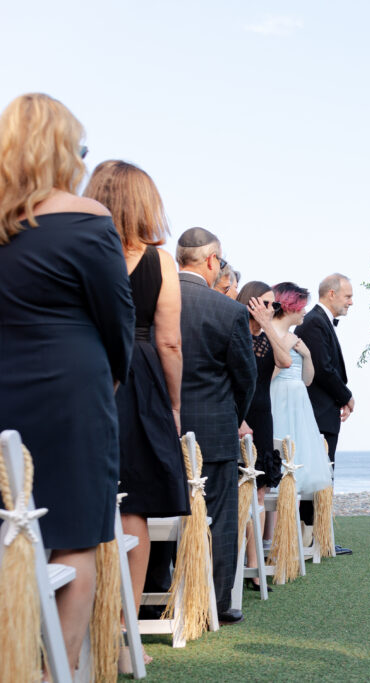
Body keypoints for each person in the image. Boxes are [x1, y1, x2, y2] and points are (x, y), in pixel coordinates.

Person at [0, 93, 135, 674]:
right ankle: (64, 667)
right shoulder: (84, 217)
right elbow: (117, 316)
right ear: (62, 151)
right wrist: (110, 379)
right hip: (73, 392)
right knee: (75, 536)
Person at [82, 160, 188, 656]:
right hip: (141, 380)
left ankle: (75, 629)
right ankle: (125, 636)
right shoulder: (160, 262)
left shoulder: (76, 246)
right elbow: (169, 343)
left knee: (82, 501)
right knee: (135, 509)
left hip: (85, 371)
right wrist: (171, 404)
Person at [175, 226, 257, 624]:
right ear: (212, 261)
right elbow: (246, 378)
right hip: (214, 431)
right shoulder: (229, 310)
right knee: (220, 519)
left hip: (157, 429)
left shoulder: (146, 301)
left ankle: (157, 597)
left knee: (160, 510)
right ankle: (218, 604)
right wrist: (231, 414)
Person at [235, 281, 292, 590]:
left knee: (258, 491)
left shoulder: (268, 338)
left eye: (274, 305)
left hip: (263, 417)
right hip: (240, 417)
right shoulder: (236, 334)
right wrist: (238, 418)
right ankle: (240, 562)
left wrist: (269, 326)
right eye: (267, 304)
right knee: (239, 491)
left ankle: (255, 567)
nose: (273, 309)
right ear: (251, 303)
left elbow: (285, 361)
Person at [295, 273, 354, 555]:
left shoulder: (320, 321)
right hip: (318, 412)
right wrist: (346, 396)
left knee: (325, 474)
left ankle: (320, 536)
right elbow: (322, 368)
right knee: (320, 475)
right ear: (331, 294)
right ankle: (314, 538)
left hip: (324, 409)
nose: (350, 302)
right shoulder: (314, 322)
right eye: (347, 296)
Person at [269, 283, 334, 512]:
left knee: (298, 462)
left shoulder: (292, 336)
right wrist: (284, 351)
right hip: (279, 400)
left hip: (299, 402)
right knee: (280, 458)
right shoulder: (272, 334)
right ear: (290, 306)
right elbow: (267, 376)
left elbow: (307, 380)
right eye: (301, 307)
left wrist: (306, 356)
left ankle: (290, 526)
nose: (305, 311)